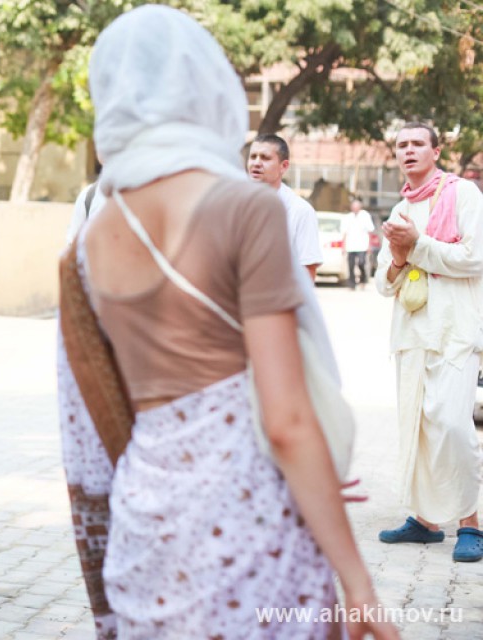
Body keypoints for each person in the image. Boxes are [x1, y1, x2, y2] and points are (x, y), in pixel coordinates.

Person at [57, 6, 397, 639]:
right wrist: (358, 582)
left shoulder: (90, 238)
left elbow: (95, 408)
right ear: (204, 88)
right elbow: (287, 421)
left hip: (145, 520)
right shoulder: (246, 207)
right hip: (247, 514)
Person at [375, 122, 483, 563]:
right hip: (412, 334)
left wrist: (417, 246)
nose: (409, 150)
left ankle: (470, 523)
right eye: (402, 144)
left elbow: (474, 257)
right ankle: (425, 521)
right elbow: (384, 283)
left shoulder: (464, 195)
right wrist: (400, 258)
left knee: (453, 426)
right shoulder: (401, 208)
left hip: (455, 331)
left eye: (418, 143)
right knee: (418, 428)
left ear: (436, 152)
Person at [247, 133, 323, 280]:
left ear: (284, 166)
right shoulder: (236, 206)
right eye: (253, 156)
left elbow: (307, 272)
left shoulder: (300, 211)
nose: (256, 163)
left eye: (265, 158)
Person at [343, 198, 376, 289]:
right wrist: (343, 246)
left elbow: (370, 231)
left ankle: (362, 280)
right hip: (350, 245)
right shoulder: (348, 217)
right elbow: (344, 233)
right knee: (351, 265)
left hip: (362, 245)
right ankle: (352, 284)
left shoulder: (365, 216)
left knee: (361, 263)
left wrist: (369, 245)